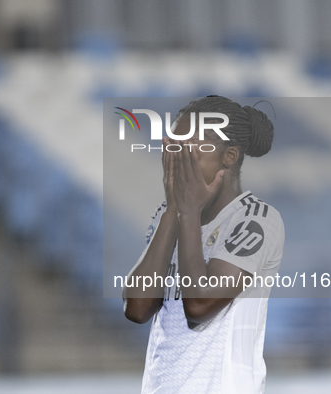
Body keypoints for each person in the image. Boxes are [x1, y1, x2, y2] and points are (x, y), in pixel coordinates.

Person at [122, 96, 285, 394]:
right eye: (172, 152)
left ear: (229, 157)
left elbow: (199, 305)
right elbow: (137, 308)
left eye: (187, 155)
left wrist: (188, 213)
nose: (177, 165)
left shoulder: (256, 220)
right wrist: (174, 210)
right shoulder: (167, 214)